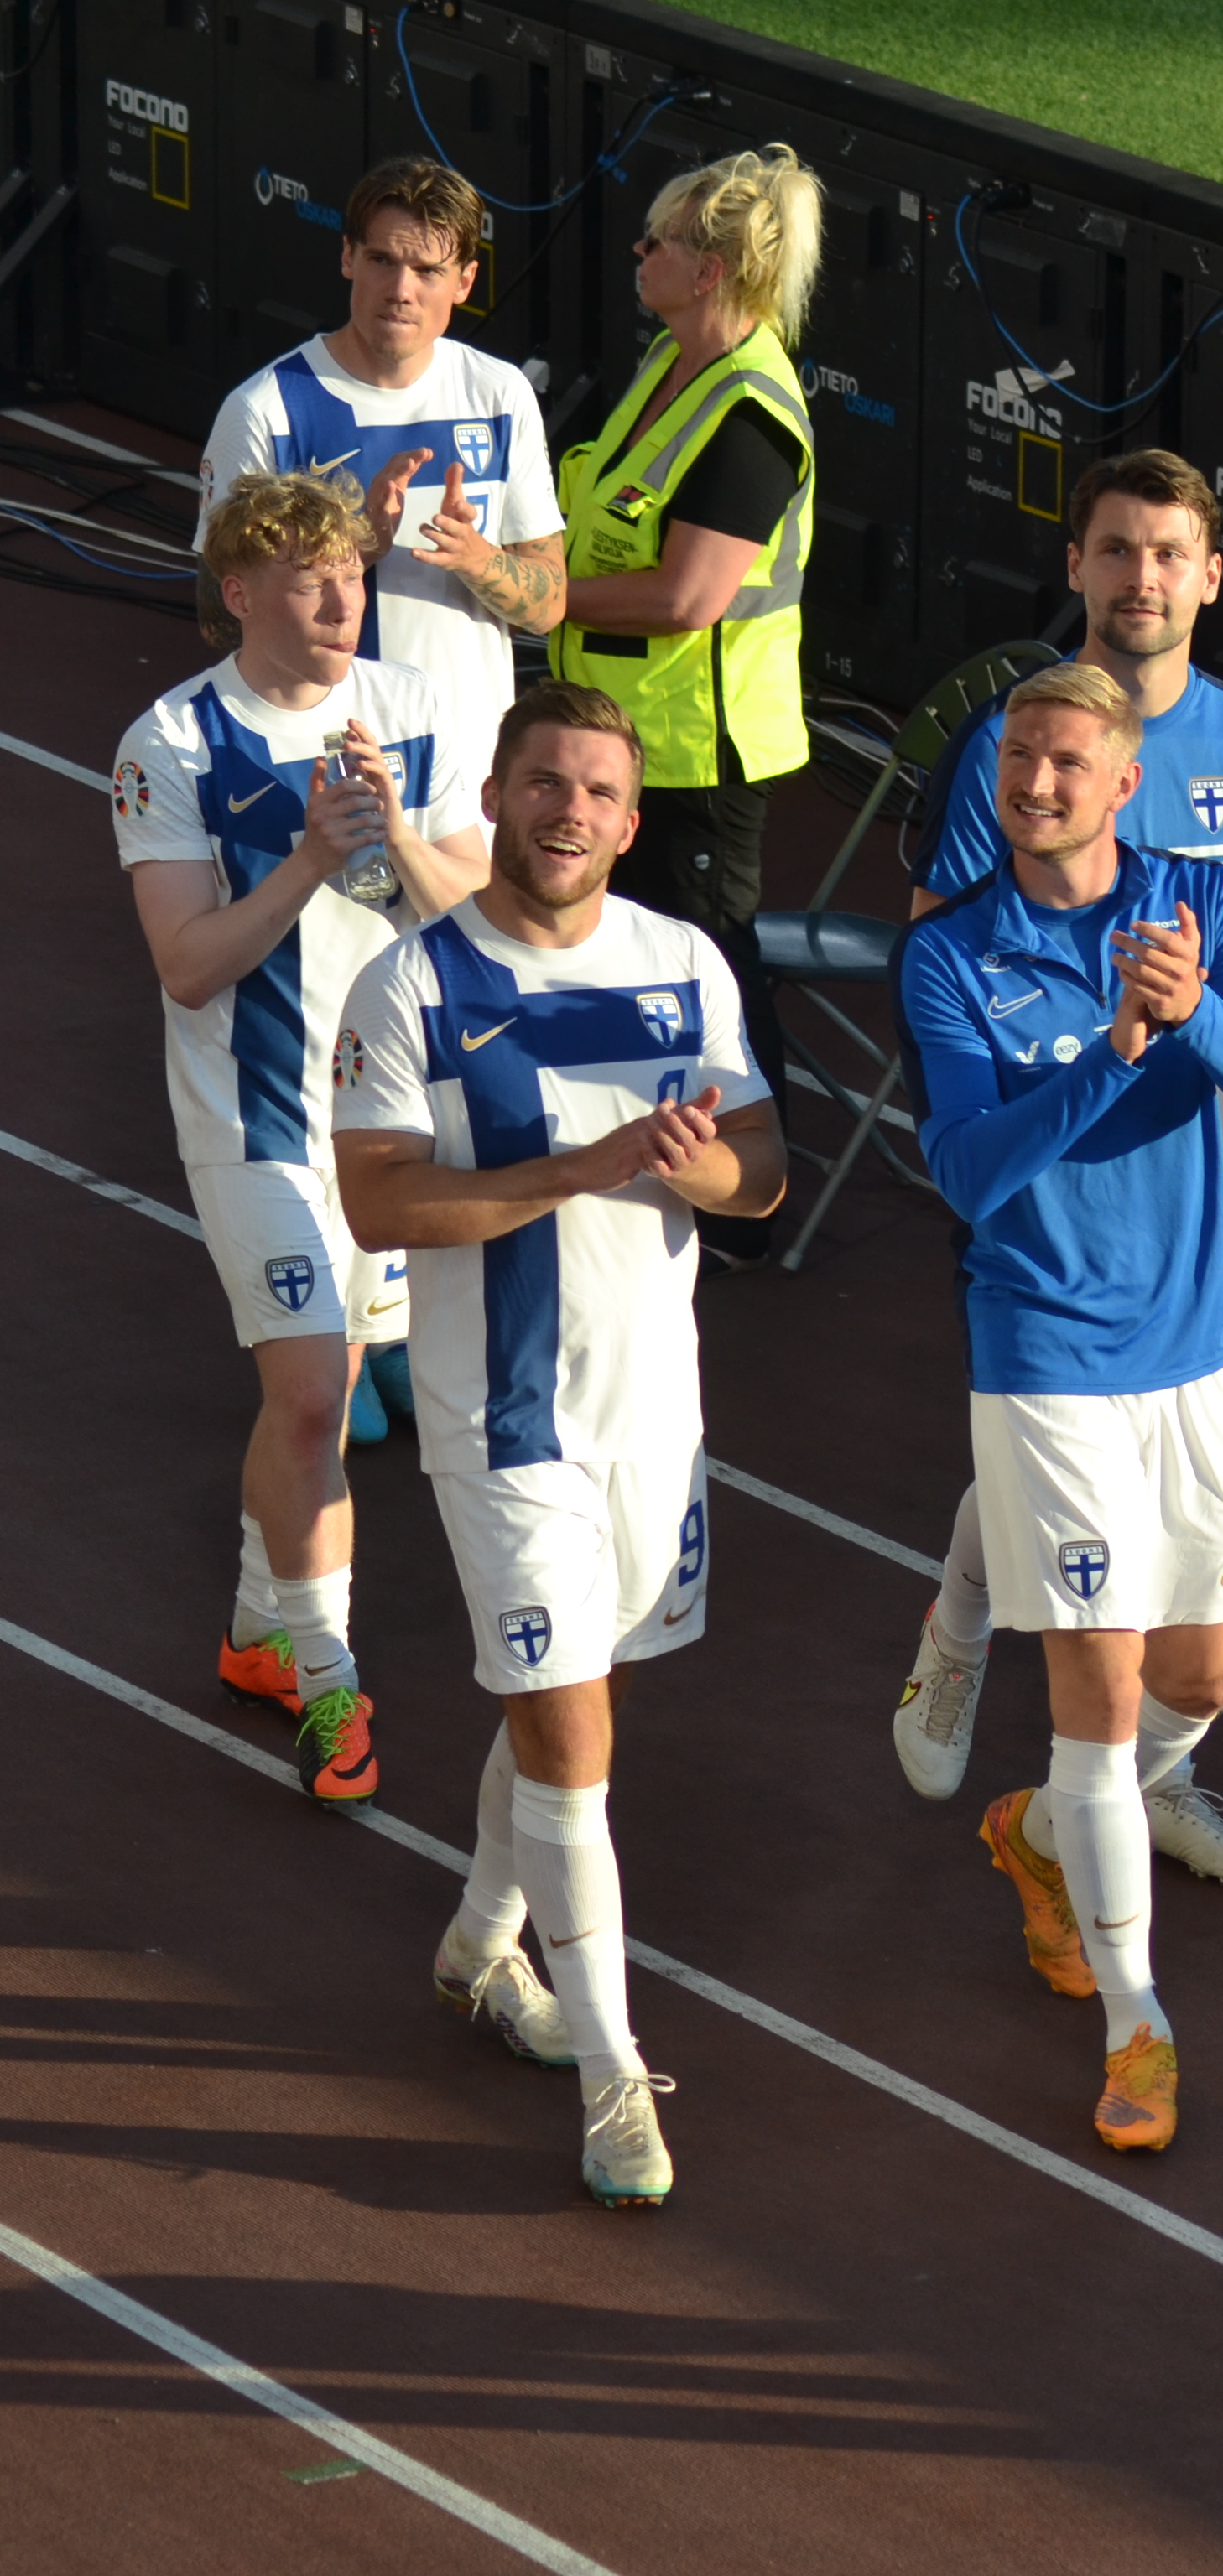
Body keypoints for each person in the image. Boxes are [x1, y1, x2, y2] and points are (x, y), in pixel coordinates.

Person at [334, 680, 787, 2210]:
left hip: (653, 1410)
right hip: (503, 1420)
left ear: (630, 818)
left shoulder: (684, 965)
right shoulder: (408, 989)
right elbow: (385, 1206)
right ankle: (610, 2074)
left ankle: (476, 1943)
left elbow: (768, 1174)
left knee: (573, 1703)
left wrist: (706, 1166)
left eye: (598, 791)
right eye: (544, 782)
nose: (569, 813)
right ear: (499, 791)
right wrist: (580, 1166)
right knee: (573, 1744)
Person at [887, 449, 1223, 1880]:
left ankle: (1156, 1774)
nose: (1140, 578)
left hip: (1217, 1197)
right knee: (1063, 1453)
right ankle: (966, 1626)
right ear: (1074, 566)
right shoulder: (1014, 747)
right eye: (1115, 550)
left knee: (1203, 1634)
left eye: (1168, 553)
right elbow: (946, 939)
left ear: (1209, 575)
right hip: (1061, 1180)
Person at [894, 662, 1223, 2155]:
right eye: (1020, 759)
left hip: (1196, 1342)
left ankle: (1042, 1825)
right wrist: (1113, 1055)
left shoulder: (1203, 911)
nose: (1036, 784)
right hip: (1045, 1349)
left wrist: (1193, 1014)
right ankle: (1138, 2026)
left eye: (1068, 762)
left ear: (1123, 783)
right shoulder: (954, 951)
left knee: (1208, 1673)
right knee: (1106, 1691)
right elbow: (967, 1168)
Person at [117, 470, 491, 1804]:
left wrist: (393, 832)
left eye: (355, 577)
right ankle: (332, 1679)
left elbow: (475, 913)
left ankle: (257, 1629)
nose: (345, 603)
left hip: (387, 1121)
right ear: (241, 595)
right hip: (254, 1121)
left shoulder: (409, 710)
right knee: (316, 1395)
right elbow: (186, 965)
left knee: (326, 1400)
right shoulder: (169, 744)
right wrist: (308, 862)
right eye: (312, 581)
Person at [540, 143, 823, 1264]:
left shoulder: (750, 414)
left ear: (709, 272)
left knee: (716, 972)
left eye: (658, 240)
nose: (639, 253)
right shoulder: (671, 363)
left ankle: (759, 1198)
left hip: (697, 757)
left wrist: (541, 593)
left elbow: (688, 594)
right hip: (619, 733)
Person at [195, 156, 565, 745]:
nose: (401, 291)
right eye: (382, 261)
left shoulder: (499, 395)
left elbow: (548, 605)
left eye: (427, 270)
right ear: (348, 258)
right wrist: (351, 551)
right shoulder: (267, 409)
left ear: (465, 281)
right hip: (327, 761)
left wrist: (476, 558)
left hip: (470, 766)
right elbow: (218, 614)